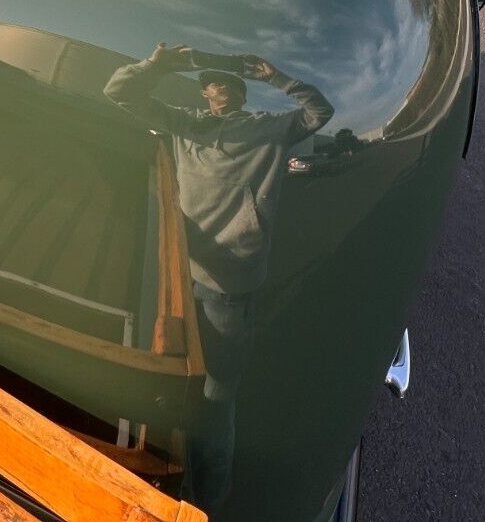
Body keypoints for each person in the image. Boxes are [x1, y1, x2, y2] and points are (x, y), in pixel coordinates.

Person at [104, 43, 335, 512]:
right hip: (180, 272)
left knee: (218, 396)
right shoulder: (186, 124)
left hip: (230, 285)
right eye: (213, 83)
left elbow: (319, 111)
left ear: (242, 94)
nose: (220, 89)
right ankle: (170, 467)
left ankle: (212, 497)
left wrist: (278, 77)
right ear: (204, 91)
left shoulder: (268, 130)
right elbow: (117, 92)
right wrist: (158, 64)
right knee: (174, 377)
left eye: (230, 83)